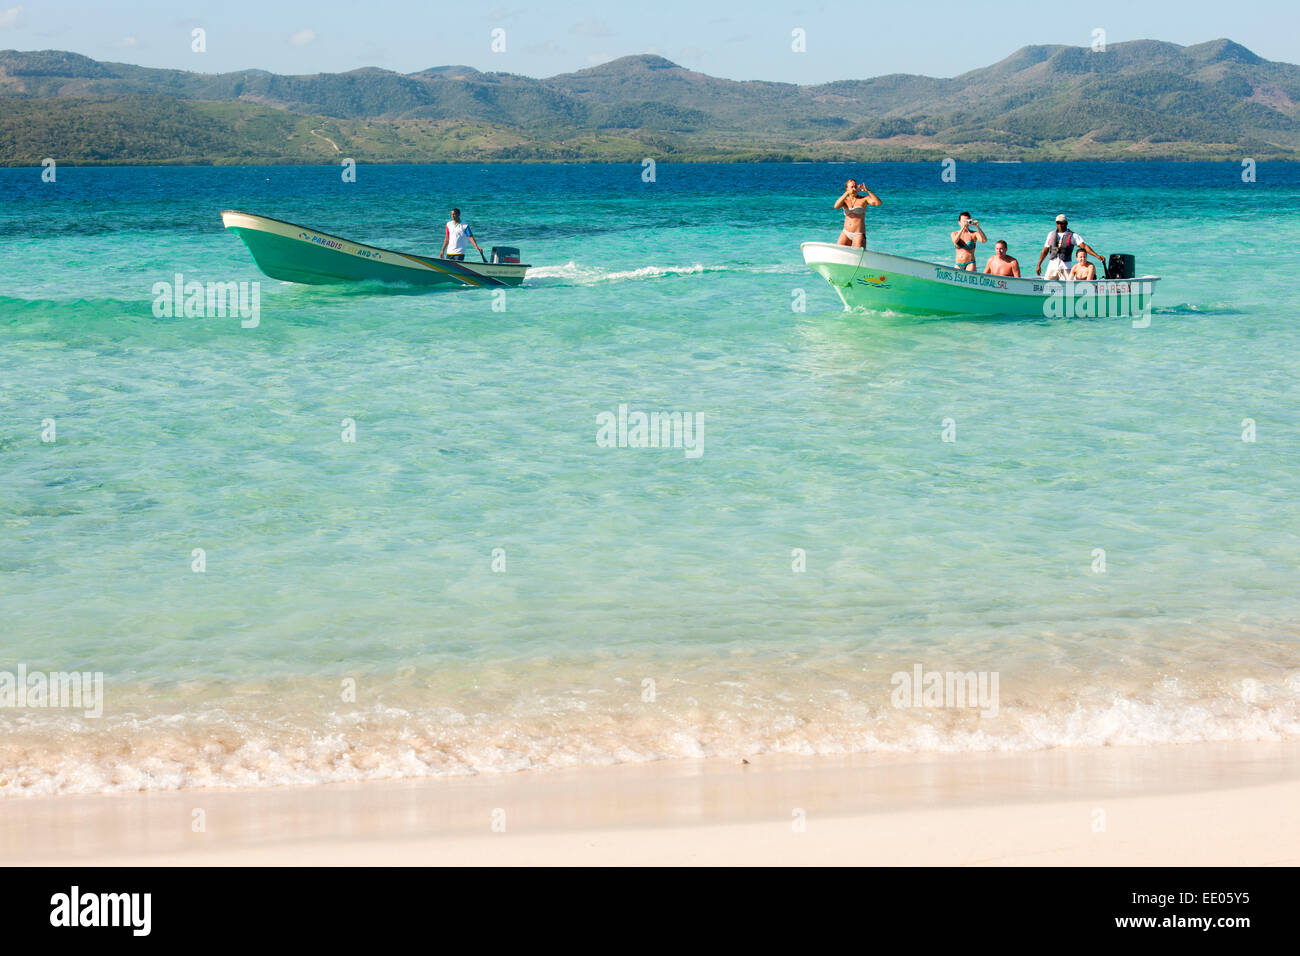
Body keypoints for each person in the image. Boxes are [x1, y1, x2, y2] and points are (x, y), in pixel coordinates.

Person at [1035, 214, 1103, 280]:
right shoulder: (1051, 234)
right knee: (1046, 286)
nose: (1060, 225)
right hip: (1052, 267)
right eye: (1058, 223)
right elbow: (1045, 250)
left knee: (1067, 287)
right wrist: (1039, 264)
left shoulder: (1073, 236)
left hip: (1065, 267)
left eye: (1062, 223)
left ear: (1066, 223)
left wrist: (1097, 256)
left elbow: (1084, 246)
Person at [834, 179, 882, 247]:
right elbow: (836, 206)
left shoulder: (864, 199)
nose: (854, 189)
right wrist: (847, 193)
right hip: (845, 232)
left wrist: (868, 191)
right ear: (847, 188)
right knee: (839, 252)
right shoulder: (845, 201)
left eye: (855, 186)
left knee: (858, 255)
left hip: (858, 234)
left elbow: (878, 203)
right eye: (852, 187)